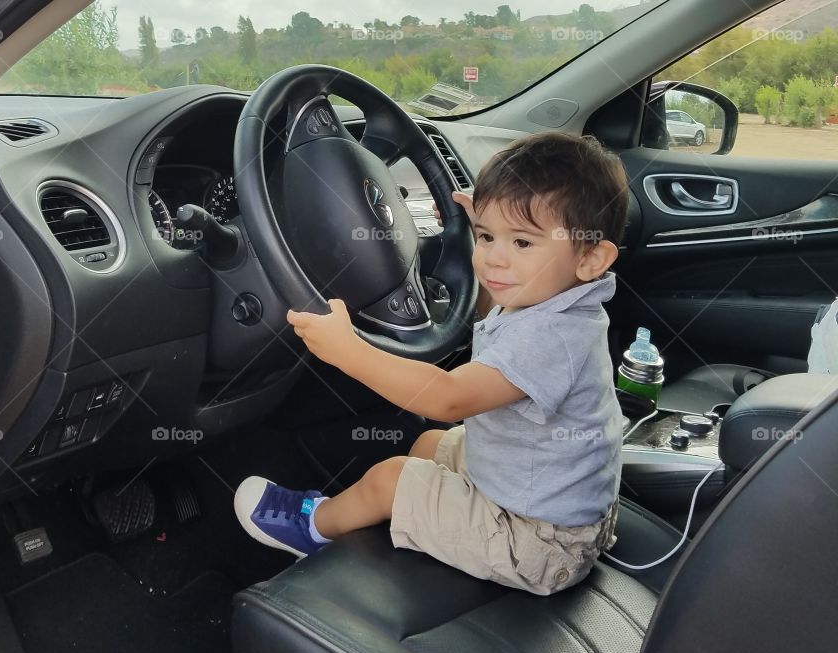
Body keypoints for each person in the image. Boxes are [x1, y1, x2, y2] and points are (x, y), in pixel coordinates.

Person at [234, 130, 630, 594]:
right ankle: (411, 518)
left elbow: (449, 398)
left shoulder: (553, 336)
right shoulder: (553, 300)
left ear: (591, 258)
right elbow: (490, 318)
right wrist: (467, 239)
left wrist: (348, 351)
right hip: (548, 499)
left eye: (522, 243)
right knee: (427, 445)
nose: (493, 261)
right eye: (486, 236)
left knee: (392, 478)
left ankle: (314, 529)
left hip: (537, 544)